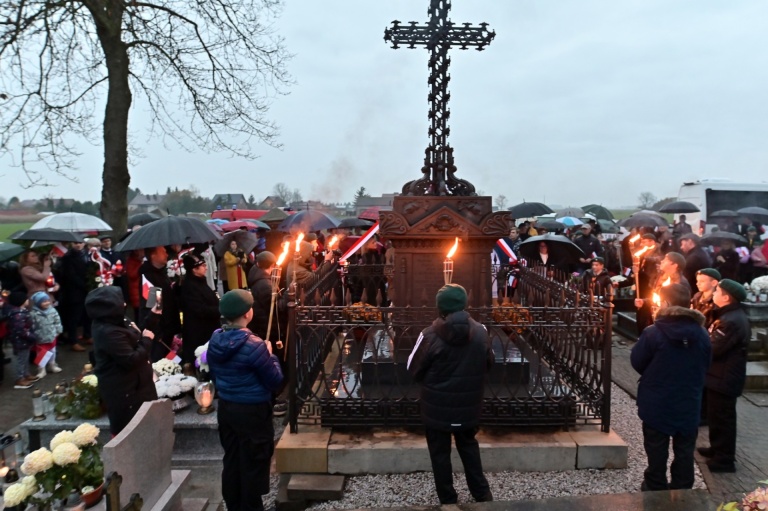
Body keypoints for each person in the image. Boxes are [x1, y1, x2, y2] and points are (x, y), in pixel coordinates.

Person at [407, 284, 494, 505]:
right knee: (469, 447)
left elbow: (412, 368)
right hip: (468, 406)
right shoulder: (481, 332)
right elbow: (489, 363)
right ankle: (482, 494)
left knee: (439, 453)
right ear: (464, 304)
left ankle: (448, 499)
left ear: (440, 307)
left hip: (437, 408)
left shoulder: (429, 335)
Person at [207, 290, 284, 511]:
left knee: (232, 457)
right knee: (253, 461)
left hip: (228, 408)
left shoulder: (215, 339)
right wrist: (271, 356)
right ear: (247, 314)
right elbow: (275, 380)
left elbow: (214, 374)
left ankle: (234, 504)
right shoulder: (254, 345)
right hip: (252, 411)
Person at [631, 283, 711, 491]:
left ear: (665, 302)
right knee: (685, 448)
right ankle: (682, 488)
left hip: (658, 400)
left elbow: (638, 361)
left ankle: (655, 485)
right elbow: (706, 362)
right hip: (688, 399)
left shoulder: (653, 333)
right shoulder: (702, 333)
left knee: (656, 447)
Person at [86, 286, 158, 435]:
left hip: (139, 387)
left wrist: (153, 316)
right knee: (132, 436)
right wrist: (147, 341)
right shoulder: (108, 332)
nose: (125, 304)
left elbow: (137, 334)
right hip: (127, 394)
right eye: (120, 302)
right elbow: (131, 359)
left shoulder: (117, 320)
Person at [698, 279, 750, 473]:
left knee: (723, 418)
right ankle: (717, 448)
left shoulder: (731, 321)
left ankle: (725, 459)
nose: (714, 293)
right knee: (715, 415)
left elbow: (714, 348)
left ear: (727, 297)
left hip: (724, 378)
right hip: (718, 376)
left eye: (718, 291)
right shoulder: (726, 315)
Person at [139, 245, 181, 361]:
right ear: (153, 255)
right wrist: (158, 332)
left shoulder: (160, 273)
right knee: (161, 362)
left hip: (168, 326)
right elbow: (154, 305)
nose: (167, 254)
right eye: (163, 252)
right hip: (160, 332)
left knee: (171, 359)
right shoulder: (149, 277)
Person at [179, 253, 221, 366]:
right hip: (199, 332)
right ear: (194, 269)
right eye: (202, 265)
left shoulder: (201, 281)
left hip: (210, 327)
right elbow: (198, 309)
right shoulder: (189, 286)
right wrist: (219, 310)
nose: (206, 267)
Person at [57, 241, 90, 351]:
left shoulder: (87, 254)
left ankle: (88, 335)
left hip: (86, 291)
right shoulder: (68, 257)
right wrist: (86, 284)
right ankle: (73, 341)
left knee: (87, 314)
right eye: (75, 243)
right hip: (74, 292)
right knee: (74, 317)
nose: (78, 245)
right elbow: (70, 275)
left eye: (80, 243)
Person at [7, 291, 40, 389]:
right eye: (26, 299)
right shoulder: (18, 315)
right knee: (21, 360)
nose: (28, 300)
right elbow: (21, 330)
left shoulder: (21, 312)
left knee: (25, 359)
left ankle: (26, 374)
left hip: (25, 342)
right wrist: (32, 336)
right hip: (21, 342)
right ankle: (19, 378)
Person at [29, 291, 63, 378]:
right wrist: (33, 335)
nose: (47, 303)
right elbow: (30, 325)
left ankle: (52, 365)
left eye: (48, 300)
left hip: (52, 335)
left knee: (52, 352)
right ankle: (41, 369)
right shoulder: (33, 313)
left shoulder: (52, 310)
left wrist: (58, 330)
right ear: (38, 303)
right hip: (40, 337)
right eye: (44, 301)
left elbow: (57, 321)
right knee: (41, 354)